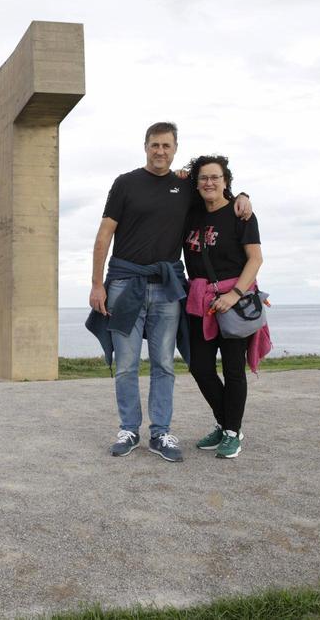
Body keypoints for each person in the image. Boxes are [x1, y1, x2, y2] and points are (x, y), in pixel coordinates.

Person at [87, 123, 250, 462]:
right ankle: (128, 430)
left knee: (163, 363)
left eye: (166, 145)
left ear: (175, 149)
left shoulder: (185, 186)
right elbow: (104, 234)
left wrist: (243, 196)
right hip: (124, 284)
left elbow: (216, 193)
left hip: (167, 287)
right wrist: (97, 283)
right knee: (126, 364)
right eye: (155, 145)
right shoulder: (125, 183)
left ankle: (160, 433)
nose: (160, 151)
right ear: (145, 146)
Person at [182, 155, 270, 459]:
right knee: (199, 366)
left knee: (233, 369)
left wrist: (234, 294)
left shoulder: (240, 215)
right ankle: (226, 423)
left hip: (234, 301)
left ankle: (232, 432)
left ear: (225, 181)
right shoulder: (191, 213)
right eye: (203, 178)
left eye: (215, 177)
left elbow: (255, 259)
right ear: (197, 183)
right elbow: (174, 184)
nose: (209, 183)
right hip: (200, 301)